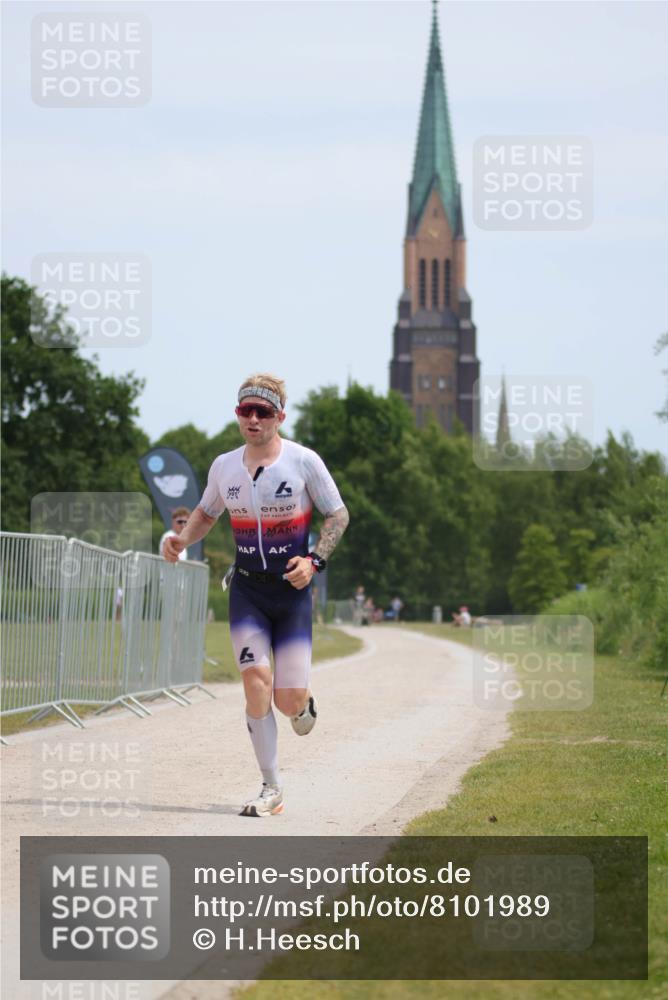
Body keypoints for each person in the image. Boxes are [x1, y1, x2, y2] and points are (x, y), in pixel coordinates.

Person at [162, 374, 349, 817]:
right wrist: (183, 539)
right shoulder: (224, 466)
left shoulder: (303, 462)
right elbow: (208, 512)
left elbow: (337, 516)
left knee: (287, 702)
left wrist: (314, 563)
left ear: (279, 417)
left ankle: (303, 703)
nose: (252, 418)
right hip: (246, 589)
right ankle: (272, 787)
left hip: (292, 593)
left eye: (262, 412)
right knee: (255, 684)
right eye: (244, 410)